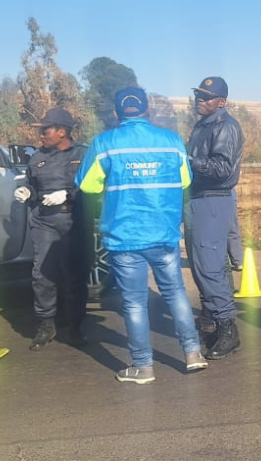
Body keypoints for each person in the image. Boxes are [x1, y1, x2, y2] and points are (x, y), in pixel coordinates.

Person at [76, 87, 207, 384]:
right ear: (148, 110)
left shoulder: (104, 143)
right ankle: (193, 353)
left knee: (134, 302)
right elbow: (186, 179)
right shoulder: (171, 142)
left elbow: (87, 185)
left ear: (115, 113)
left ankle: (143, 367)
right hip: (164, 232)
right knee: (175, 292)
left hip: (125, 236)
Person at [14, 108, 89, 350]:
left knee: (74, 274)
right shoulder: (37, 157)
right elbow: (31, 184)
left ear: (62, 131)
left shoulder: (83, 154)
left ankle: (75, 325)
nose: (41, 135)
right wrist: (27, 192)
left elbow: (94, 187)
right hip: (44, 221)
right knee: (42, 275)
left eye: (45, 130)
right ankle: (46, 324)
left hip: (72, 220)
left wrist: (68, 194)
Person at [185, 76, 245, 360]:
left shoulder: (225, 127)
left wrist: (187, 162)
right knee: (202, 266)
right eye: (198, 94)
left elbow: (222, 168)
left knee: (210, 266)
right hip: (198, 199)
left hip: (213, 200)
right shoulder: (203, 125)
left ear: (222, 102)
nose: (200, 99)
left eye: (206, 96)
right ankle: (211, 321)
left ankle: (227, 329)